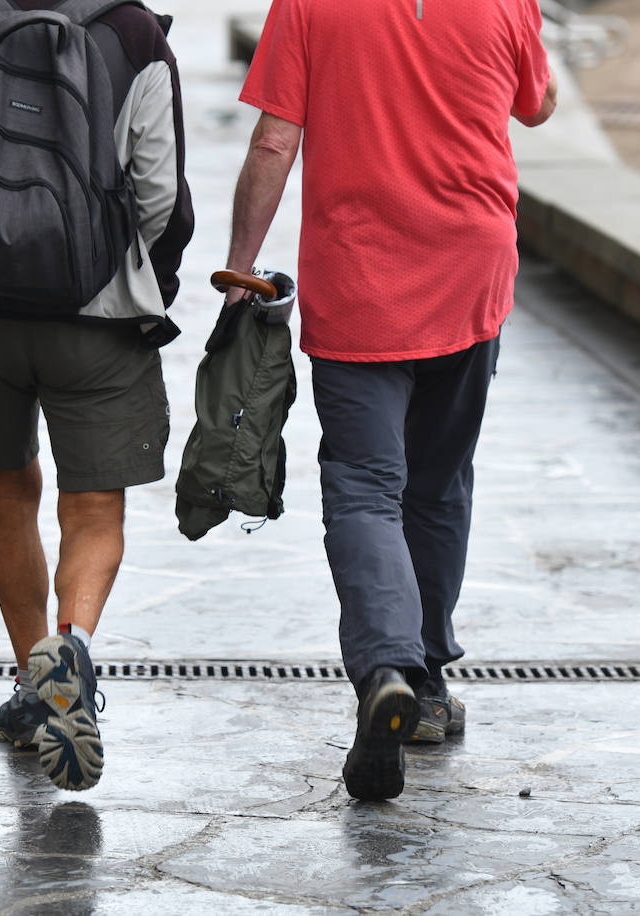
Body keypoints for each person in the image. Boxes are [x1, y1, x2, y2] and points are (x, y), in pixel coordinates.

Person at [225, 0, 557, 801]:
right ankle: (430, 685)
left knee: (366, 491)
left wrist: (240, 272)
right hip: (471, 273)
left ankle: (386, 672)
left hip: (359, 283)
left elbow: (276, 139)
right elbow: (536, 104)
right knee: (438, 483)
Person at [0, 0, 193, 792]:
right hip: (99, 318)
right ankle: (72, 650)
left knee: (9, 496)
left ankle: (33, 684)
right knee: (94, 512)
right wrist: (147, 281)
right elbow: (159, 196)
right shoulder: (133, 33)